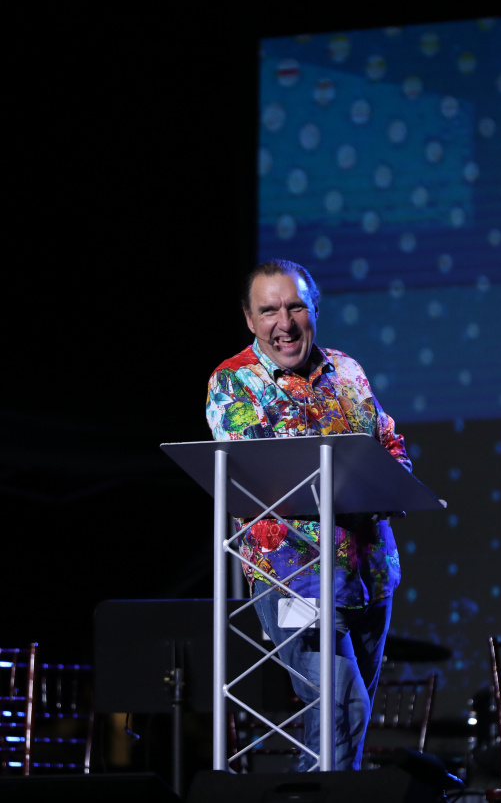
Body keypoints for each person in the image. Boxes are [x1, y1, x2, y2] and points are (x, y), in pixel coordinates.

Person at [206, 258, 412, 771]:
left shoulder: (347, 370)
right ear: (250, 319)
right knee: (340, 707)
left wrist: (390, 475)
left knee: (345, 728)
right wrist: (364, 484)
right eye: (269, 311)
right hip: (292, 582)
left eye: (296, 307)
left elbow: (389, 442)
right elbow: (263, 477)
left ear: (314, 308)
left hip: (369, 575)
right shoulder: (233, 383)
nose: (285, 323)